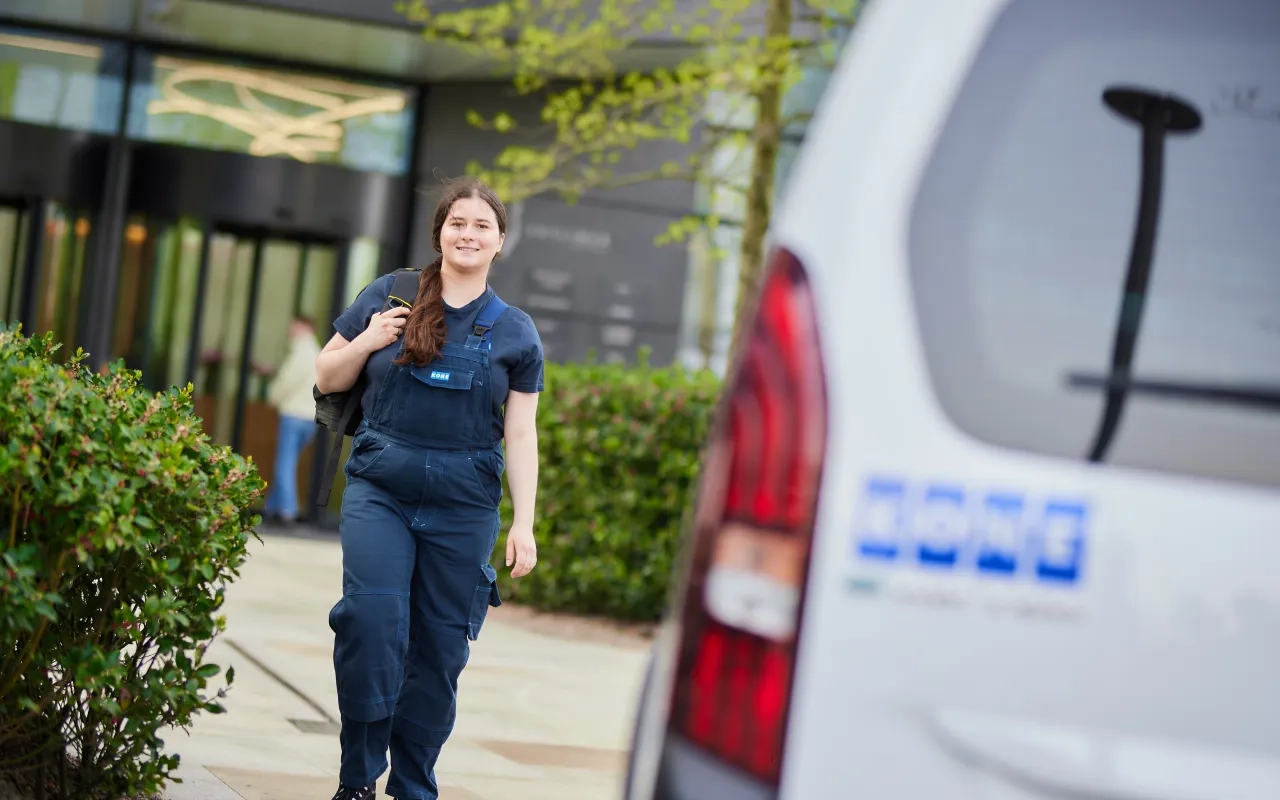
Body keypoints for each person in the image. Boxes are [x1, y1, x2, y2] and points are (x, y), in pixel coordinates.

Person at [315, 177, 544, 800]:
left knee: (440, 648)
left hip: (464, 504)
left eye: (482, 227)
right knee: (370, 620)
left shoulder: (516, 332)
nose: (467, 234)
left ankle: (413, 786)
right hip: (380, 488)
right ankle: (357, 778)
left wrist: (523, 522)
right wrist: (368, 340)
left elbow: (520, 436)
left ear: (500, 242)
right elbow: (327, 372)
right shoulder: (388, 293)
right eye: (457, 223)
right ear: (439, 231)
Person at [263, 315, 321, 525]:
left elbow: (287, 380)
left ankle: (287, 511)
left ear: (304, 327)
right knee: (288, 462)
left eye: (294, 325)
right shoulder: (317, 352)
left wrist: (272, 397)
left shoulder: (301, 352)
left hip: (294, 415)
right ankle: (271, 508)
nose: (290, 330)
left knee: (284, 464)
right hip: (311, 417)